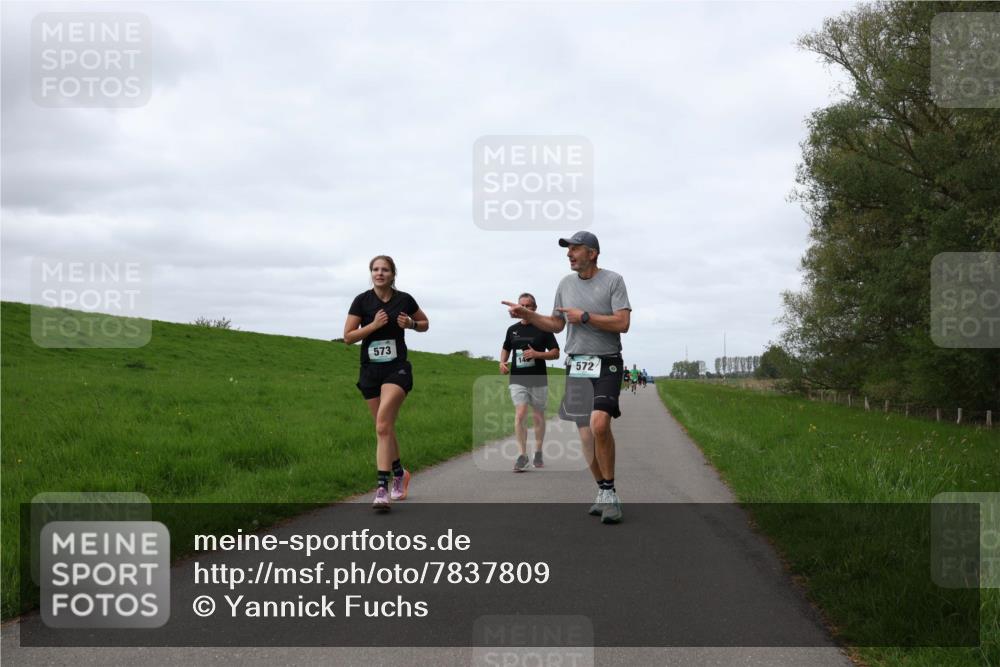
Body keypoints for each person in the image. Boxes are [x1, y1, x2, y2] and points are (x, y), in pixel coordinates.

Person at [502, 231, 631, 524]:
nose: (569, 254)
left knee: (600, 425)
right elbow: (556, 324)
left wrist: (585, 316)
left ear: (593, 253)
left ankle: (609, 493)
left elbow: (623, 323)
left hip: (607, 362)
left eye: (575, 249)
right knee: (585, 433)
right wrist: (528, 315)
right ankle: (603, 489)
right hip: (577, 365)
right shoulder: (564, 284)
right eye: (568, 250)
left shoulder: (613, 281)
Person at [343, 255, 429, 511]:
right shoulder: (362, 300)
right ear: (371, 273)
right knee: (384, 428)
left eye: (385, 270)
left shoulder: (405, 299)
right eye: (375, 269)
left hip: (397, 369)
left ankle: (381, 489)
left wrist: (411, 324)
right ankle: (400, 473)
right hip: (370, 371)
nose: (380, 273)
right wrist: (373, 325)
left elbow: (425, 324)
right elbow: (348, 337)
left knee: (382, 425)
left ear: (393, 274)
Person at [499, 293, 561, 471]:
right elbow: (506, 348)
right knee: (520, 414)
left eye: (528, 306)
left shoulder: (543, 328)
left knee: (538, 416)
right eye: (521, 305)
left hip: (538, 378)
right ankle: (521, 455)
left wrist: (537, 354)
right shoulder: (512, 330)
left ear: (534, 308)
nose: (524, 308)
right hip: (517, 379)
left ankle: (539, 451)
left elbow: (556, 353)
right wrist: (502, 362)